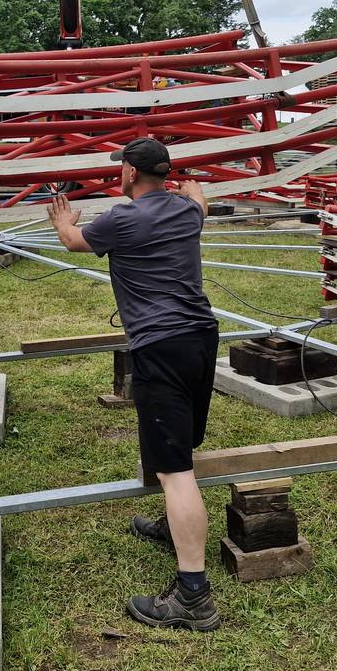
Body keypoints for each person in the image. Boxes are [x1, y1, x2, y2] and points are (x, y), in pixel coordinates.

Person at [47, 137, 221, 632]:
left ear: (128, 172)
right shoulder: (187, 211)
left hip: (159, 346)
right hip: (200, 340)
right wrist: (194, 189)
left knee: (174, 469)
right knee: (182, 442)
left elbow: (75, 243)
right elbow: (200, 205)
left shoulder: (123, 219)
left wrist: (63, 223)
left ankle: (194, 598)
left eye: (119, 168)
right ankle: (174, 528)